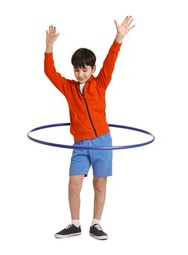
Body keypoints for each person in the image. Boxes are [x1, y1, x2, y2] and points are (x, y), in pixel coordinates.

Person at [44, 16, 135, 240]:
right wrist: (49, 47)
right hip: (80, 144)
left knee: (100, 183)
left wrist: (119, 37)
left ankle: (96, 224)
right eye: (76, 70)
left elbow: (111, 61)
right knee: (74, 184)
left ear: (93, 69)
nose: (80, 74)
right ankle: (74, 224)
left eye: (84, 70)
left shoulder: (101, 83)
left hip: (103, 142)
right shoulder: (68, 88)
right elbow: (49, 73)